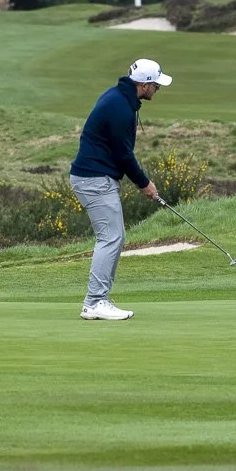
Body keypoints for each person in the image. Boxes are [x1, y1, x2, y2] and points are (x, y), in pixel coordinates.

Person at [68, 58, 170, 321]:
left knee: (115, 236)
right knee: (111, 238)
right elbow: (123, 154)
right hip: (95, 179)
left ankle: (99, 299)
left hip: (95, 177)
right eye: (156, 84)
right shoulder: (120, 108)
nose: (158, 88)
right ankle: (94, 302)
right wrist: (144, 184)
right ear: (144, 85)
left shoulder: (120, 98)